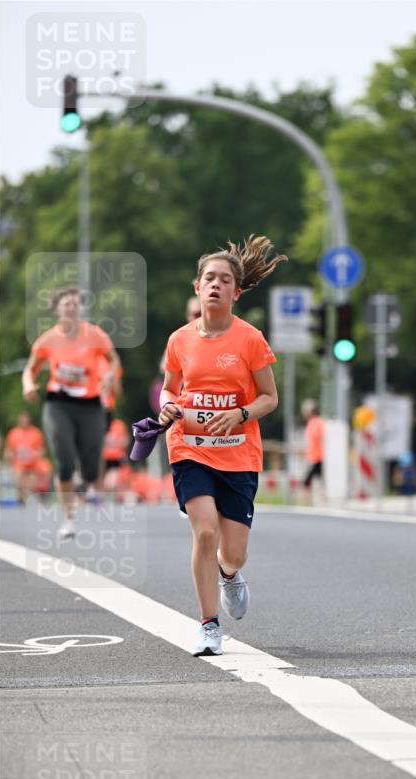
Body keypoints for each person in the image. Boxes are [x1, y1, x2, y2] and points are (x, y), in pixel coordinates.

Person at [158, 235, 285, 656]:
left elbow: (270, 397)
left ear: (236, 291)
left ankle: (229, 575)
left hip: (238, 452)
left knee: (233, 553)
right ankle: (209, 625)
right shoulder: (179, 340)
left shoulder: (250, 339)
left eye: (224, 279)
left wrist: (242, 414)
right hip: (189, 448)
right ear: (197, 287)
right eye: (208, 278)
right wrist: (167, 409)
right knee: (205, 530)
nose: (215, 284)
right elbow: (169, 390)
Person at [21, 286, 121, 539]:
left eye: (76, 304)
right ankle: (68, 519)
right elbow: (30, 370)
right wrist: (29, 385)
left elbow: (114, 360)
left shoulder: (95, 335)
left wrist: (109, 376)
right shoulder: (47, 339)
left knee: (89, 468)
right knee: (64, 462)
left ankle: (86, 483)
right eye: (67, 304)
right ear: (57, 309)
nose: (72, 308)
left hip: (90, 406)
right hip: (58, 404)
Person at [4, 411, 45, 503]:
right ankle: (20, 500)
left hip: (33, 464)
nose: (24, 421)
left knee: (32, 483)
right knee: (18, 479)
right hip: (19, 464)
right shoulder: (13, 433)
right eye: (22, 419)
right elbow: (8, 449)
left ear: (29, 420)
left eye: (26, 419)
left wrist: (36, 454)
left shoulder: (36, 433)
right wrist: (9, 455)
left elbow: (41, 450)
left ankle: (35, 498)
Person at [301, 399, 324, 502]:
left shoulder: (316, 422)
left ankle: (307, 500)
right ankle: (313, 500)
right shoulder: (314, 422)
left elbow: (318, 438)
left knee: (308, 480)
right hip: (314, 456)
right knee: (316, 479)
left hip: (317, 456)